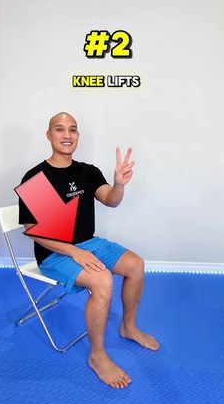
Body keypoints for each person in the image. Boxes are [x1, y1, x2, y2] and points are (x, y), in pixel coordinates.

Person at [18, 112, 159, 389]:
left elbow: (111, 201)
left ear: (78, 136)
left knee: (136, 265)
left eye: (72, 129)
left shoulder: (88, 171)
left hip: (88, 243)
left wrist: (118, 184)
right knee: (103, 280)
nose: (67, 134)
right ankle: (97, 355)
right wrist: (73, 252)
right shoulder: (36, 176)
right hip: (54, 253)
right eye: (59, 129)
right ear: (49, 135)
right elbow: (34, 230)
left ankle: (128, 326)